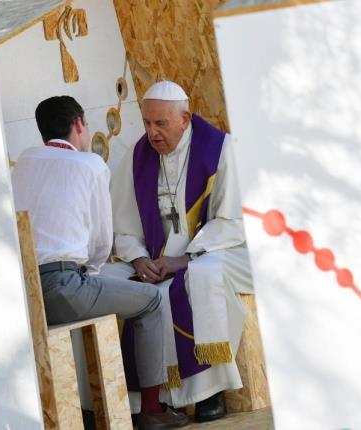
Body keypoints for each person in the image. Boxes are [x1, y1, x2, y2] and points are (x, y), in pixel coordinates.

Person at [11, 96, 189, 430]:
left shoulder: (25, 160)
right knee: (151, 300)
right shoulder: (91, 164)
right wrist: (91, 274)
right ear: (79, 124)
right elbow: (101, 243)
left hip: (27, 291)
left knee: (114, 281)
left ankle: (91, 406)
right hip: (65, 287)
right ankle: (151, 408)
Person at [108, 81, 254, 422]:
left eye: (161, 123)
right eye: (147, 123)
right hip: (158, 261)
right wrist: (139, 258)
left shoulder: (219, 149)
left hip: (220, 250)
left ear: (185, 118)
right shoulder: (137, 157)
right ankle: (157, 399)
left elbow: (232, 220)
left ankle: (210, 392)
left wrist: (185, 258)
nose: (152, 133)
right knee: (119, 283)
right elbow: (124, 226)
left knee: (201, 277)